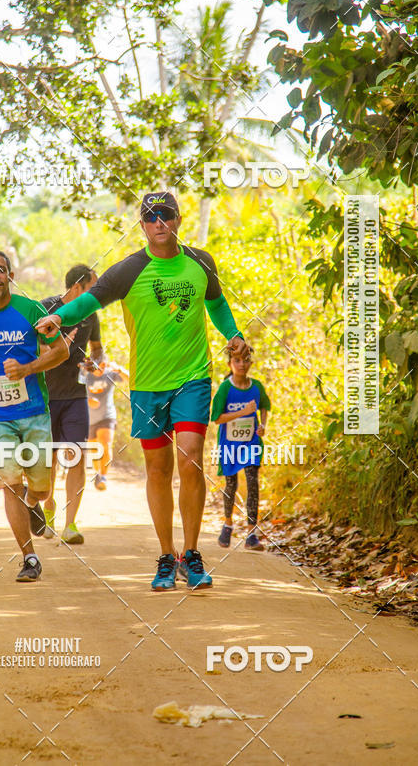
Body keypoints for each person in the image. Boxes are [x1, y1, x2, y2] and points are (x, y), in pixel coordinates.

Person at [36, 191, 247, 591]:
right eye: (151, 217)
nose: (158, 222)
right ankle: (167, 556)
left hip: (193, 378)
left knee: (189, 457)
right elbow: (89, 302)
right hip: (147, 385)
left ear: (179, 219)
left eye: (165, 215)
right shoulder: (128, 270)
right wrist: (57, 318)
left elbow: (216, 304)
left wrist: (233, 334)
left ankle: (192, 554)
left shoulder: (200, 262)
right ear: (142, 225)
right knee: (158, 469)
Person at [0, 249, 74, 582]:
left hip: (35, 412)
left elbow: (61, 351)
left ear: (10, 276)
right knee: (10, 484)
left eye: (1, 270)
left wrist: (29, 368)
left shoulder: (31, 309)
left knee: (39, 489)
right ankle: (30, 558)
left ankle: (34, 504)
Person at [41, 264, 103, 544]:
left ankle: (71, 525)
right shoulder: (46, 308)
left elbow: (97, 348)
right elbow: (32, 346)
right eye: (93, 287)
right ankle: (48, 512)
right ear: (77, 287)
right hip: (45, 396)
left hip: (76, 396)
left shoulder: (91, 315)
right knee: (49, 461)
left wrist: (96, 362)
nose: (98, 294)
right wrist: (58, 346)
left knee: (76, 457)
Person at [212, 347, 270, 551]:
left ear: (251, 364)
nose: (242, 364)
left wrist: (262, 426)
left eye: (245, 360)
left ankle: (251, 533)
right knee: (231, 485)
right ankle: (227, 524)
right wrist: (242, 412)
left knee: (253, 481)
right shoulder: (225, 389)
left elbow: (265, 406)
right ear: (230, 364)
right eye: (237, 360)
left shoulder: (257, 387)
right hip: (229, 443)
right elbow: (216, 418)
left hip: (251, 442)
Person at [83, 359, 128, 490]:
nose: (101, 368)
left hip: (107, 416)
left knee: (105, 443)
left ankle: (103, 476)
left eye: (104, 365)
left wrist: (118, 368)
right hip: (89, 418)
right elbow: (74, 392)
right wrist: (87, 401)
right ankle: (97, 473)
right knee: (94, 449)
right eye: (99, 365)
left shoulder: (110, 374)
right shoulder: (85, 375)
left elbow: (131, 379)